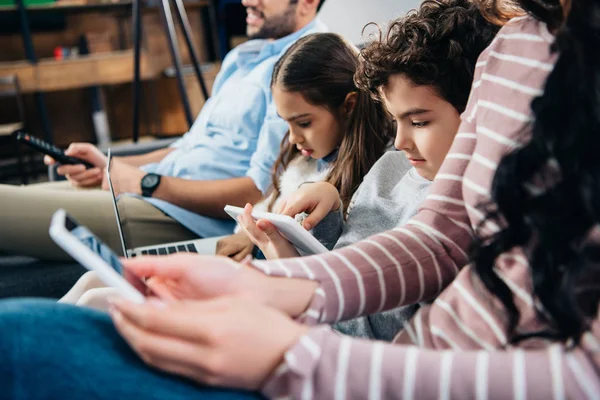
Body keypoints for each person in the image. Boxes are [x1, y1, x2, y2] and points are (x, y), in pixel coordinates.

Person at [1, 0, 599, 399]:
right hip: (380, 359)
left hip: (359, 374)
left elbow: (582, 378)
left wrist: (295, 358)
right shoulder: (515, 47)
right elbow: (441, 236)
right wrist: (270, 289)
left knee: (22, 343)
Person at [60, 32, 393, 311]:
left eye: (303, 123)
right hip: (247, 264)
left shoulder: (368, 183)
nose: (293, 138)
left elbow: (325, 272)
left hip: (270, 290)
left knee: (97, 298)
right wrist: (245, 235)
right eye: (287, 123)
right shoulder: (301, 157)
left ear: (348, 106)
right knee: (93, 280)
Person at [236, 0, 498, 341]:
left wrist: (283, 277)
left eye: (419, 121)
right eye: (395, 120)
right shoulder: (392, 165)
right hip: (302, 318)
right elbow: (338, 267)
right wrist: (303, 235)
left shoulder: (468, 216)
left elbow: (367, 338)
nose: (400, 142)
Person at [0, 0, 327, 261]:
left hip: (177, 216)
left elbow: (258, 192)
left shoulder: (301, 70)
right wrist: (112, 164)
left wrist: (147, 183)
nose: (246, 1)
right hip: (152, 190)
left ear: (307, 2)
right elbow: (187, 145)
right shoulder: (242, 56)